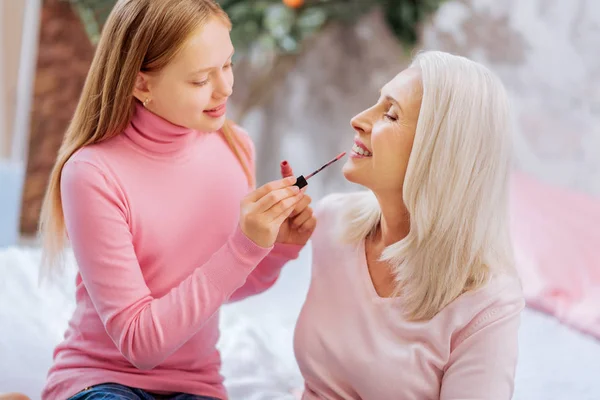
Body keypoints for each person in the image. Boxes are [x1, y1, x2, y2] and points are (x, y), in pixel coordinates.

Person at [38, 1, 316, 399]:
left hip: (196, 385)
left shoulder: (235, 146)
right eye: (201, 79)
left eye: (228, 64)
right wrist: (243, 246)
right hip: (102, 378)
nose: (225, 88)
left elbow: (217, 289)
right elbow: (140, 344)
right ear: (142, 84)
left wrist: (276, 248)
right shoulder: (92, 173)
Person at [293, 51, 525, 399]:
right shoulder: (330, 221)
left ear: (441, 151)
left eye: (390, 114)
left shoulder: (487, 303)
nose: (357, 120)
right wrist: (261, 242)